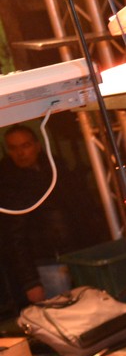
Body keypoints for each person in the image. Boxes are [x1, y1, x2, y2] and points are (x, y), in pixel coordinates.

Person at [1, 124, 102, 304]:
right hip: (47, 262)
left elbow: (81, 212)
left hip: (75, 255)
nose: (20, 153)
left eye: (25, 145)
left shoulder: (56, 170)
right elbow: (14, 238)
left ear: (37, 146)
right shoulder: (9, 185)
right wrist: (30, 281)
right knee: (63, 312)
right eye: (14, 148)